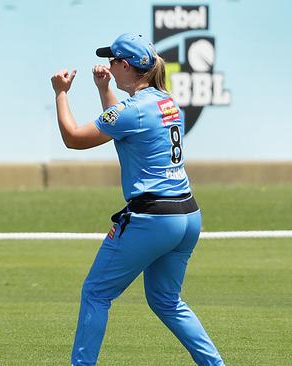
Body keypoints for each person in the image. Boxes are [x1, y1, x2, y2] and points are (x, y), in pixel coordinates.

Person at [50, 33, 224, 366]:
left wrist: (60, 93)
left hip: (152, 219)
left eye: (113, 61)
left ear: (125, 66)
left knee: (96, 293)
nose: (109, 65)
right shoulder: (165, 100)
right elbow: (125, 125)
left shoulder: (133, 109)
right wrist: (104, 90)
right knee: (166, 301)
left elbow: (74, 138)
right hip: (187, 215)